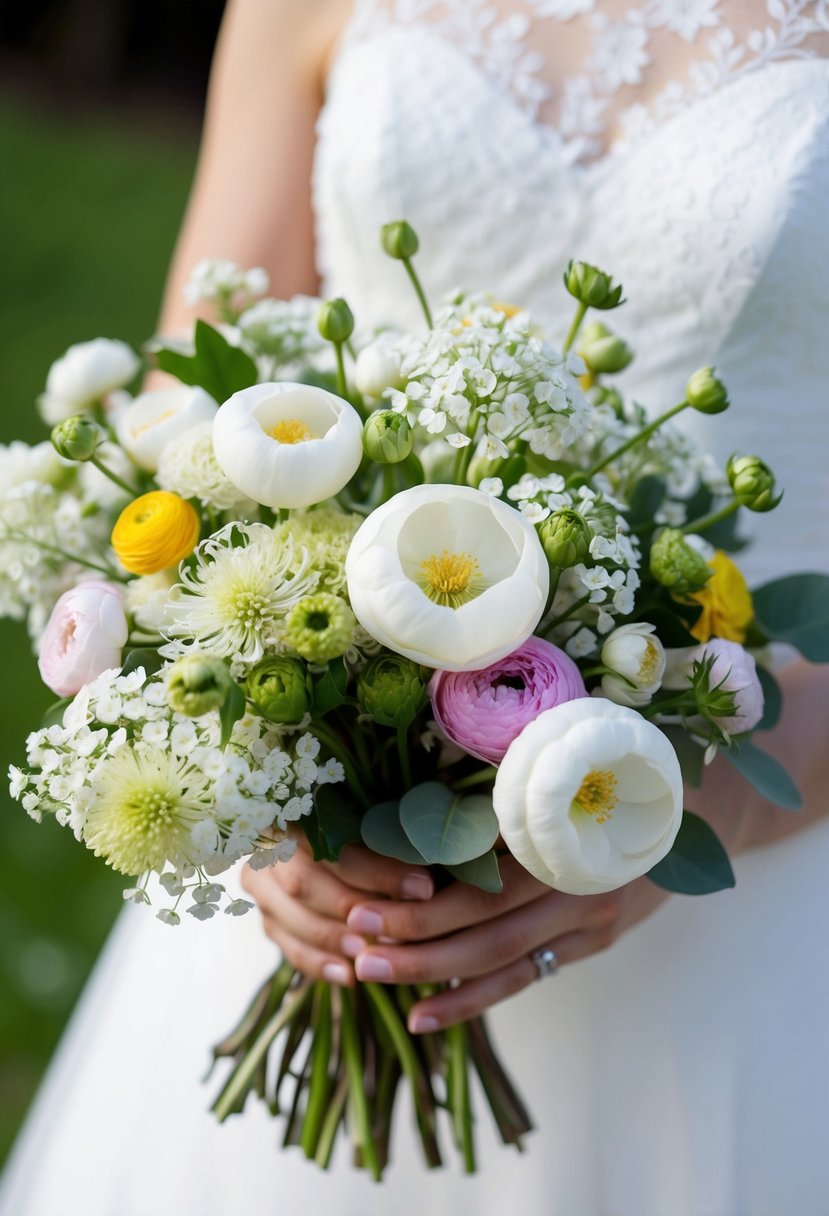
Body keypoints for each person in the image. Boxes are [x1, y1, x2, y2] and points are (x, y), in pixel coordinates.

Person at [2, 2, 829, 1213]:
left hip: (747, 837)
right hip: (314, 814)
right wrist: (263, 797)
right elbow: (190, 391)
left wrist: (695, 804)